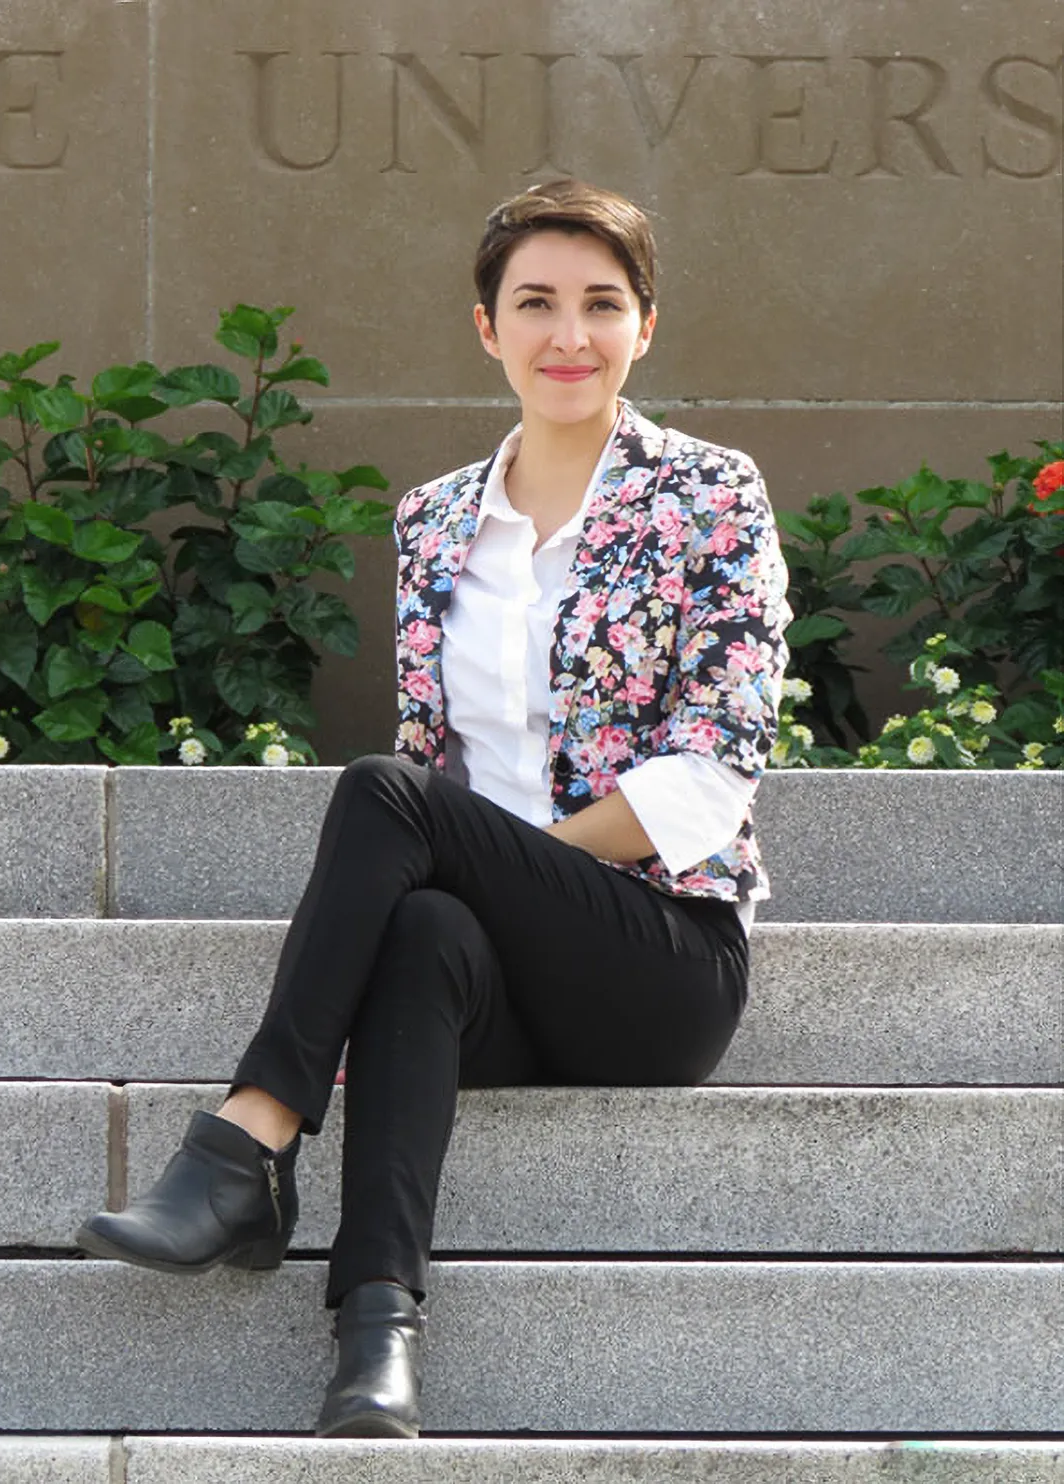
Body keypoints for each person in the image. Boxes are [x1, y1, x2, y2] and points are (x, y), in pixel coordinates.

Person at [75, 179, 791, 1438]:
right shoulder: (435, 520)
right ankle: (374, 1335)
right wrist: (468, 877)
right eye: (535, 304)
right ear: (485, 329)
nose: (568, 334)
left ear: (644, 327)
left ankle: (248, 1139)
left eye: (599, 304)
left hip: (657, 963)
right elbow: (434, 762)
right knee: (417, 932)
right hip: (488, 980)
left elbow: (712, 766)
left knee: (387, 801)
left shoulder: (707, 497)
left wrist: (505, 865)